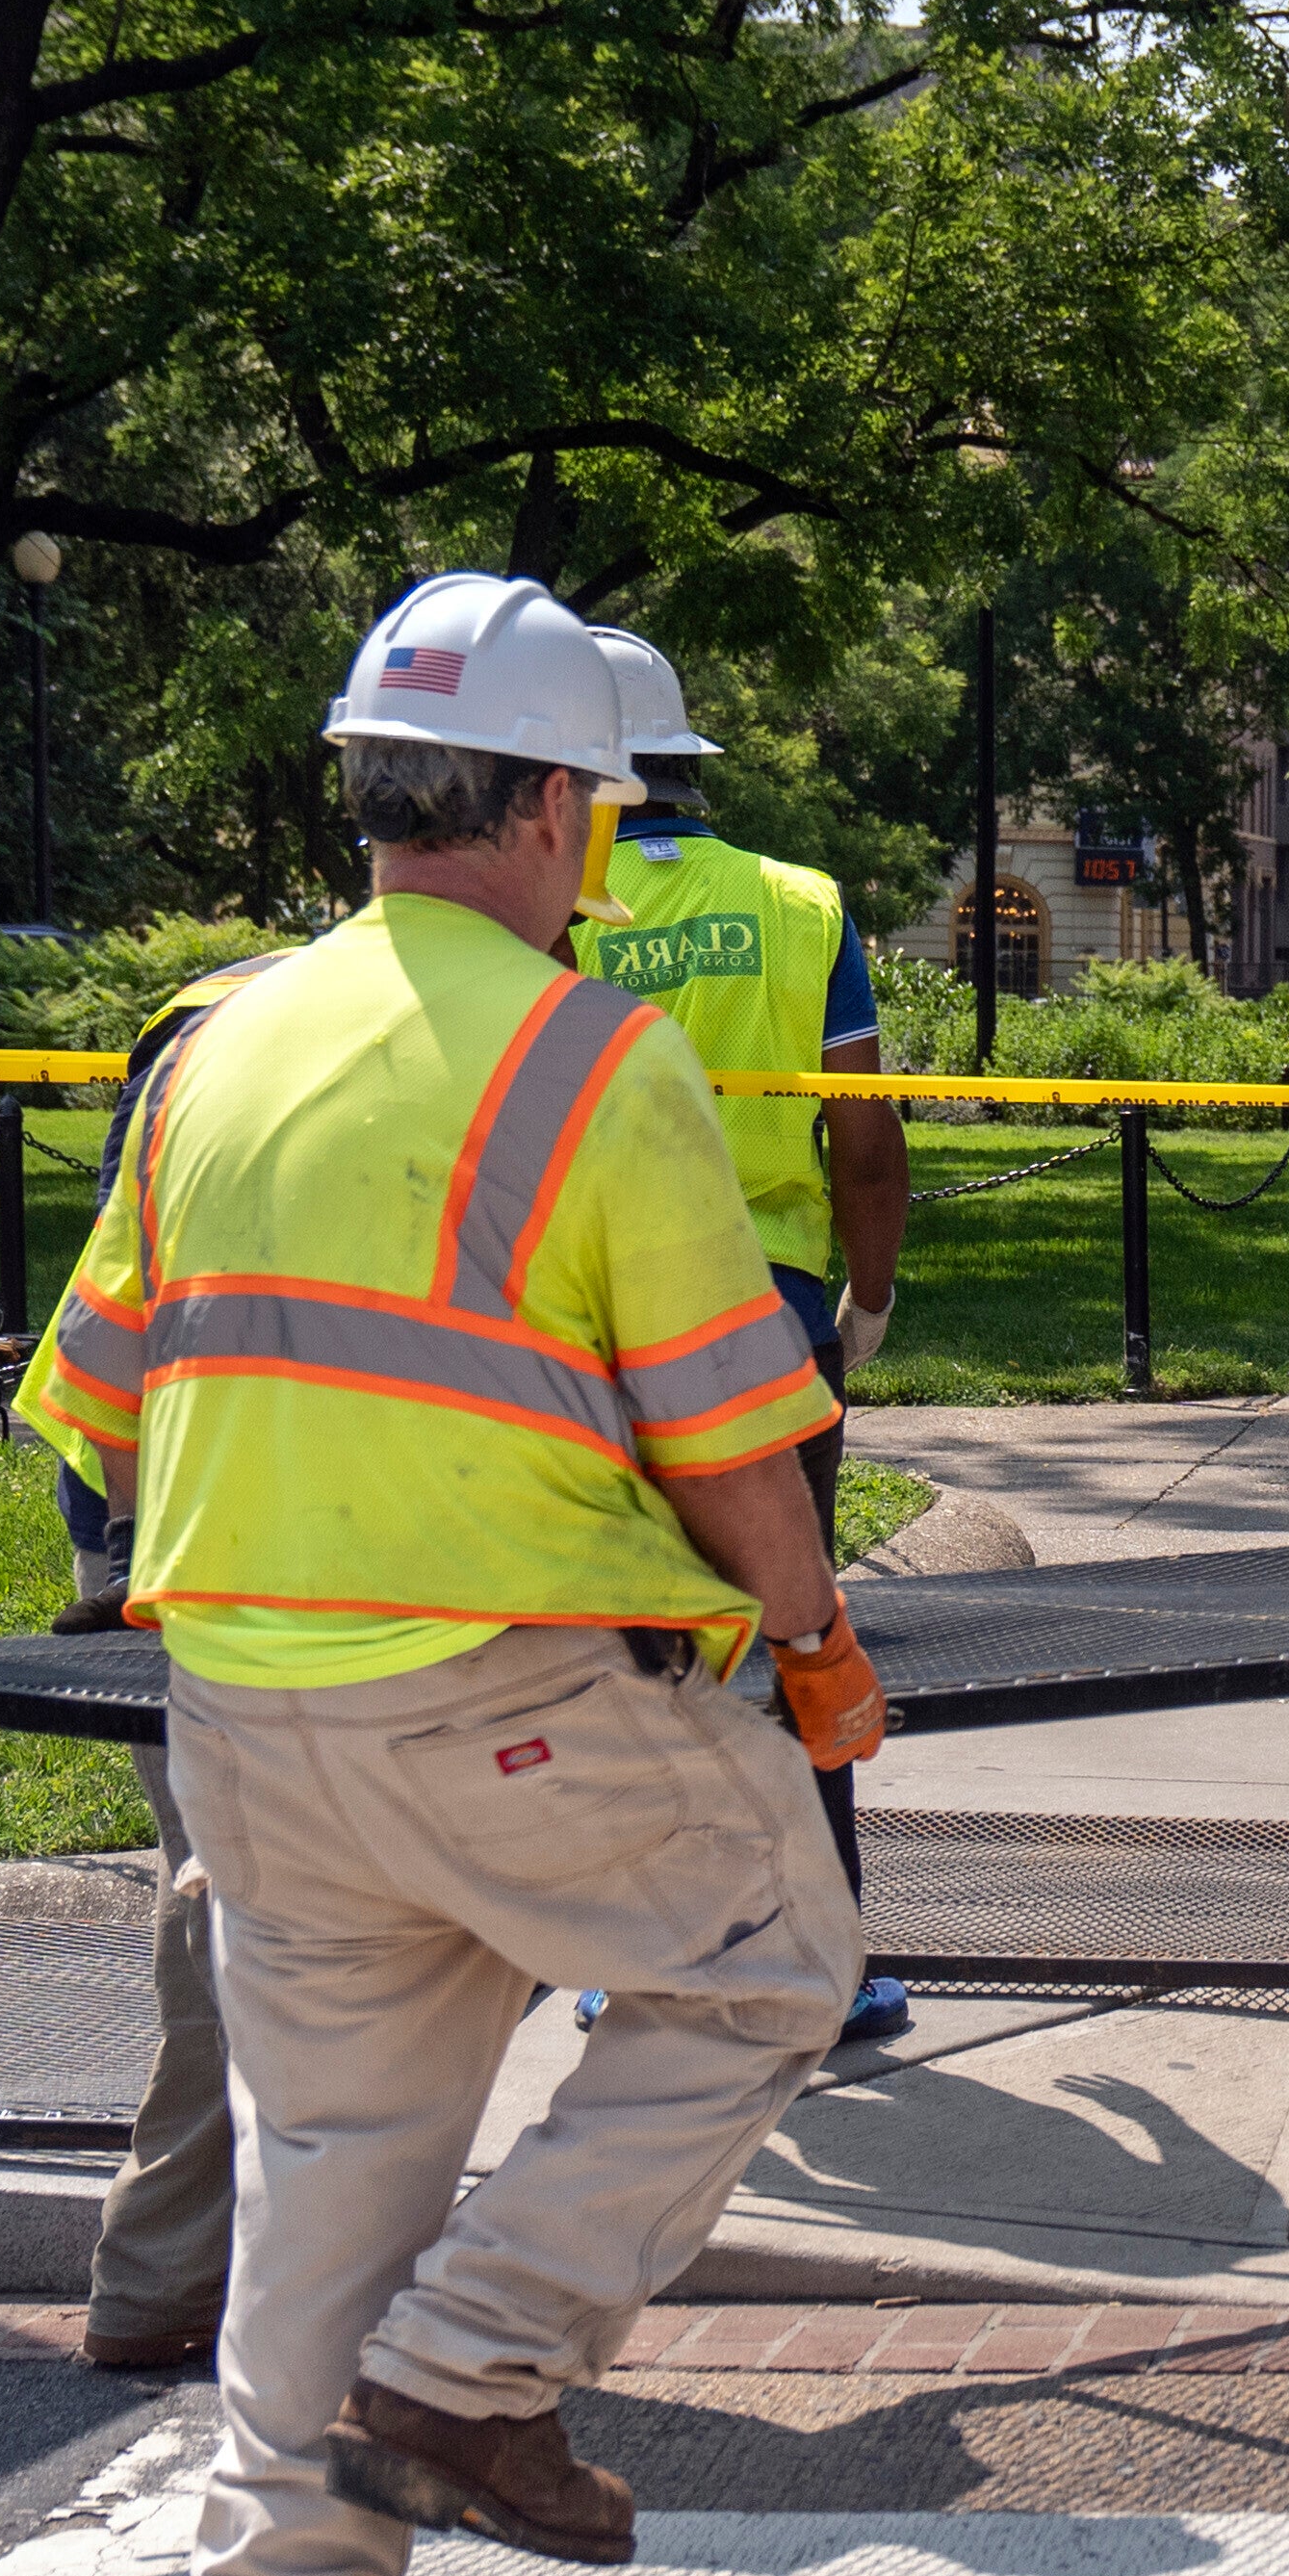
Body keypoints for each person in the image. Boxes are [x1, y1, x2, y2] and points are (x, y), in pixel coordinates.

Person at [19, 569, 884, 2576]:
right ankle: (479, 2358)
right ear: (555, 810)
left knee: (328, 2198)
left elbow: (94, 1392)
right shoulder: (591, 1055)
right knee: (771, 1959)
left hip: (245, 1709)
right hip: (502, 1684)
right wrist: (811, 1641)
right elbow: (729, 1434)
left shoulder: (214, 1043)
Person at [578, 624, 911, 2044]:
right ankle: (825, 1960)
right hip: (768, 1314)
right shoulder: (799, 904)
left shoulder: (549, 905)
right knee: (796, 1628)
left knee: (628, 1648)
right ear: (687, 763)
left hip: (590, 1320)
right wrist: (869, 1293)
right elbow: (864, 1135)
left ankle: (641, 1958)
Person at [34, 953, 277, 2378]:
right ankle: (206, 2284)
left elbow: (104, 1332)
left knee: (227, 1918)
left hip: (178, 1547)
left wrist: (127, 1549)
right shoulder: (381, 1045)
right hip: (239, 1568)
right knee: (252, 1923)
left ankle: (175, 2276)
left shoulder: (199, 1040)